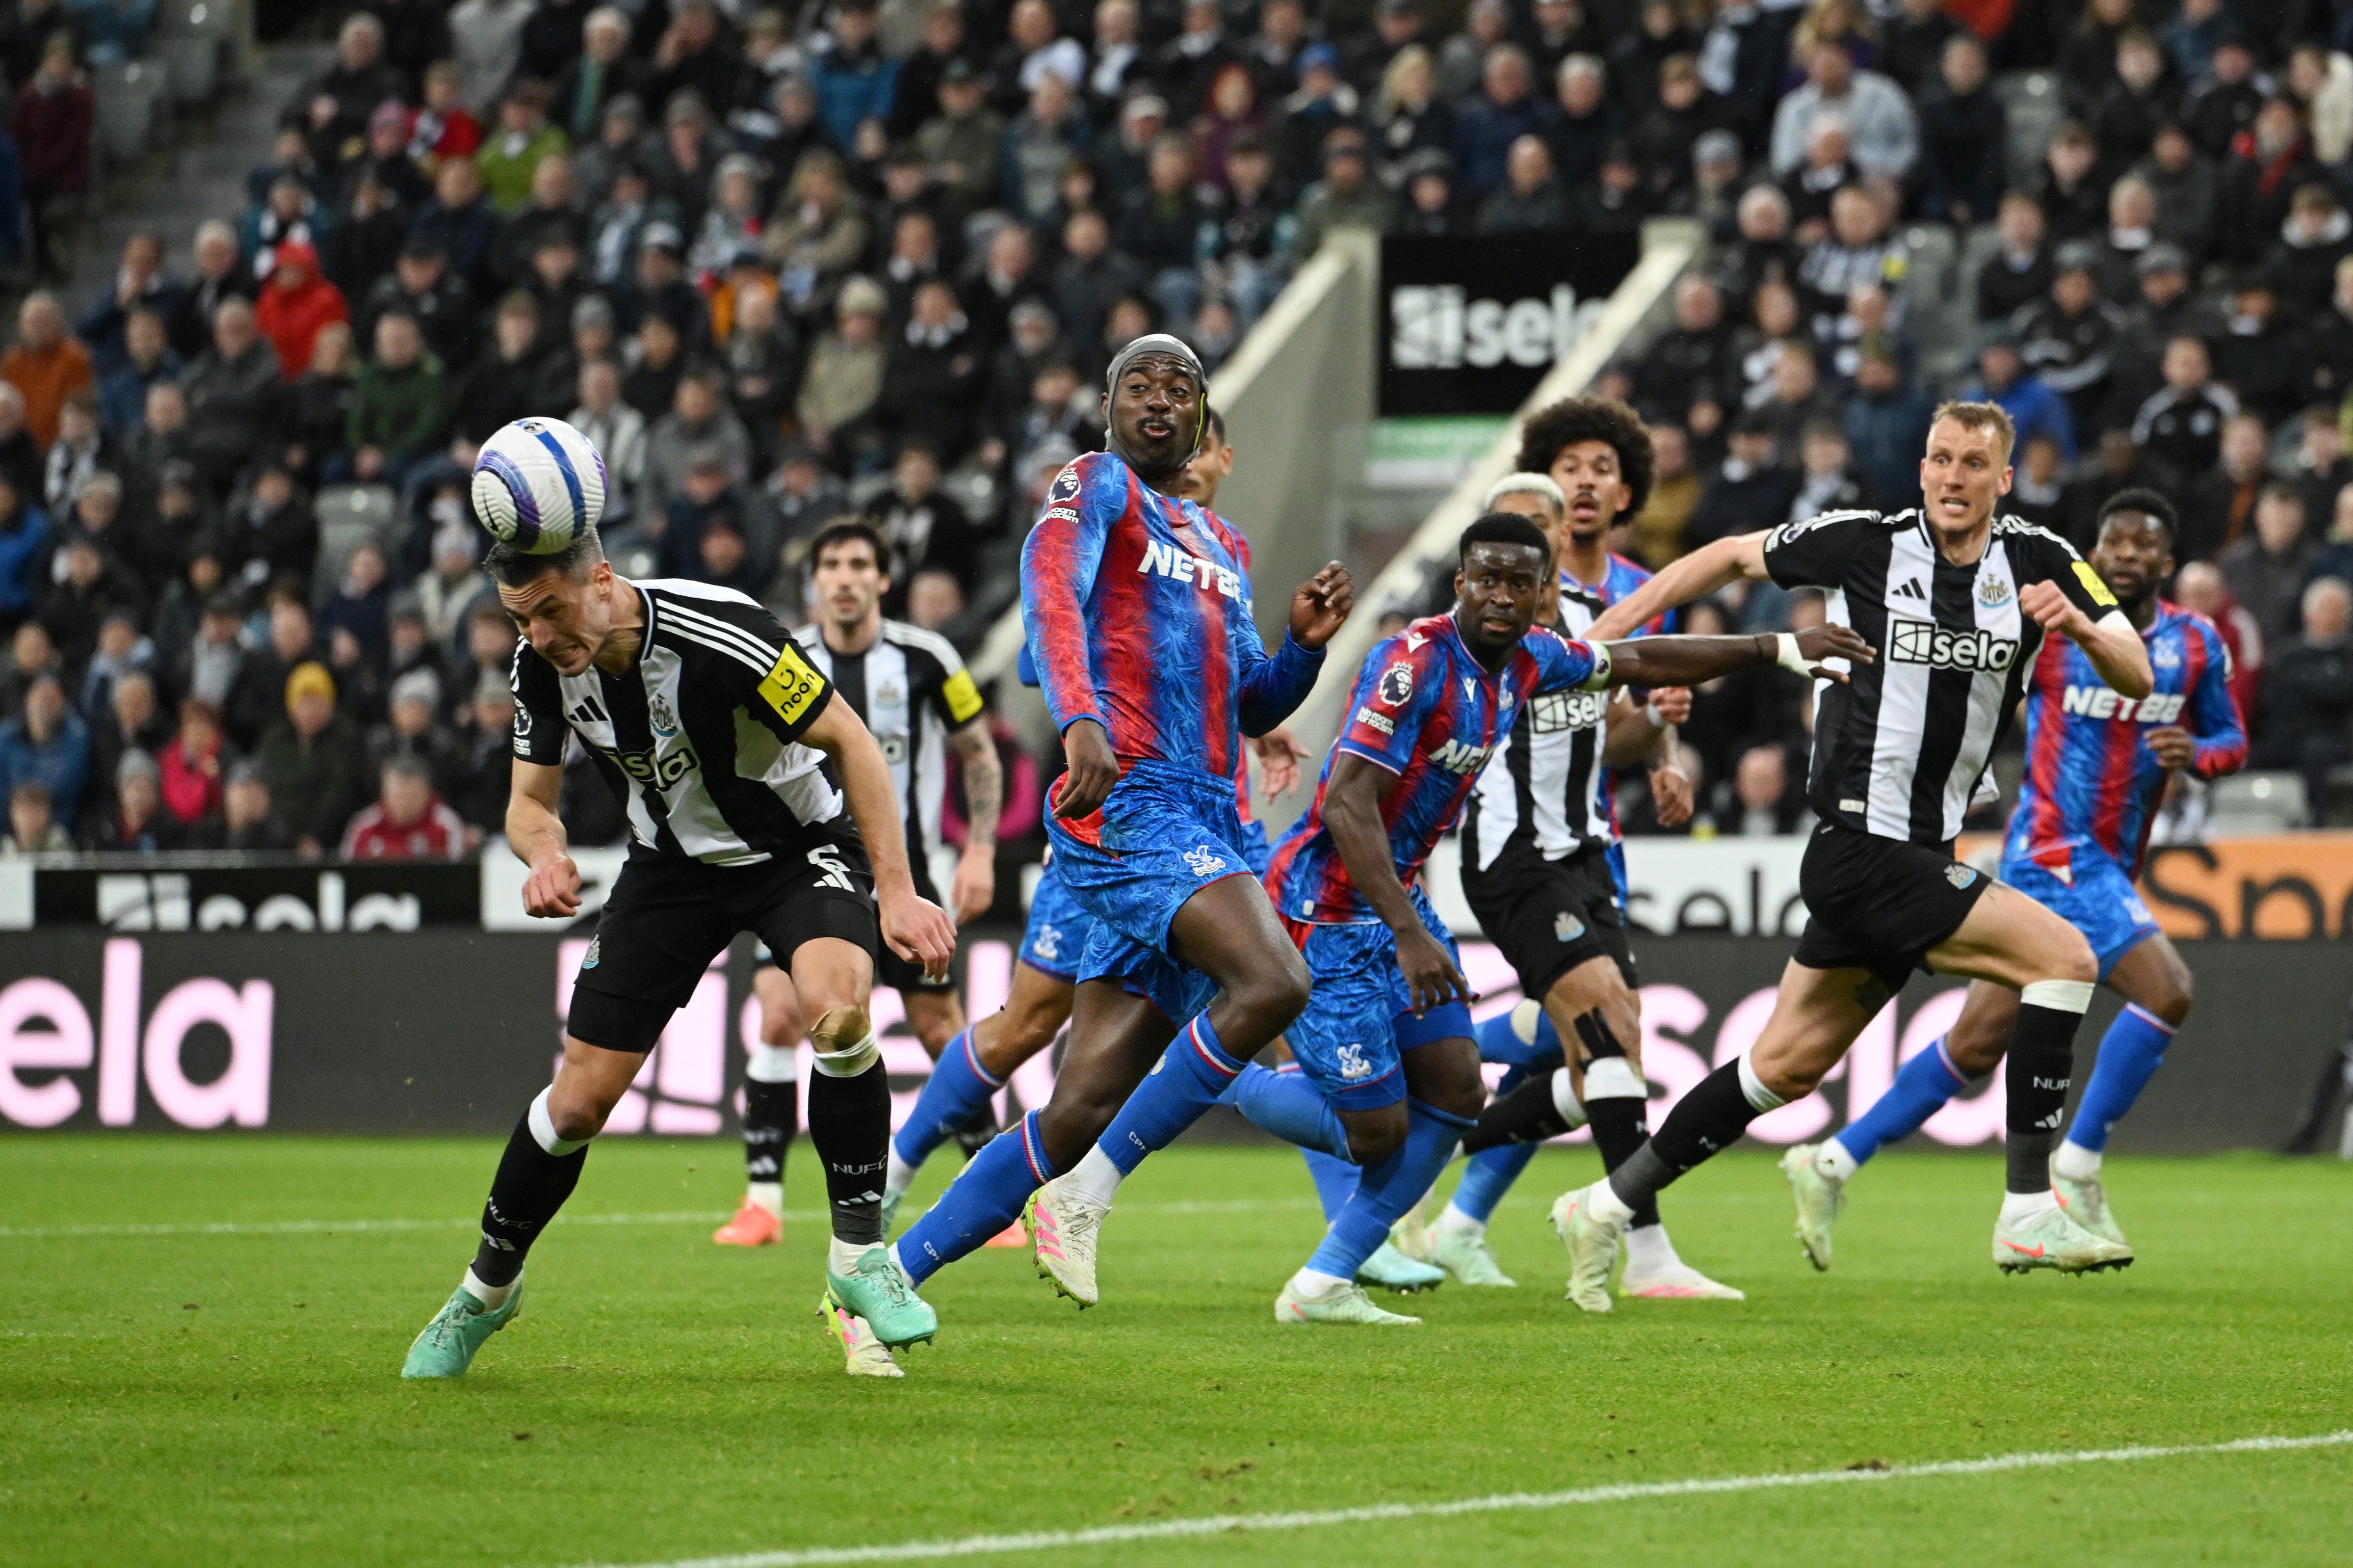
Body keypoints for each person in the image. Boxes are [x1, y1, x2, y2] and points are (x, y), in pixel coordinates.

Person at [1562, 399, 2158, 1302]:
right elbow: (1726, 554)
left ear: (2004, 479)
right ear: (1922, 467)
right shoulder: (1865, 543)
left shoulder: (2042, 561)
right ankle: (2029, 1206)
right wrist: (1607, 629)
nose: (1952, 477)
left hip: (1918, 849)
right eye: (1939, 459)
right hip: (1858, 845)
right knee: (2065, 957)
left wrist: (2075, 626)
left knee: (1783, 1070)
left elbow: (2138, 668)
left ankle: (1604, 1207)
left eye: (1972, 464)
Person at [1220, 514, 1868, 1324]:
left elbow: (1631, 681)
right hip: (1476, 871)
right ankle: (1219, 1072)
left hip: (1582, 860)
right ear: (1463, 579)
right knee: (1542, 1056)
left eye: (1523, 582)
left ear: (1546, 588)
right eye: (1487, 577)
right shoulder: (1436, 658)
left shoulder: (1549, 649)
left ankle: (1416, 1235)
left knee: (1541, 1065)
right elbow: (1350, 798)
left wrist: (1747, 669)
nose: (1503, 593)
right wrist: (1412, 930)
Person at [400, 524, 958, 1384]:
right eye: (520, 621)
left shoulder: (723, 631)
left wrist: (895, 888)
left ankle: (858, 1257)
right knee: (578, 1103)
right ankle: (485, 1289)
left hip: (795, 850)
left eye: (550, 610)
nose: (541, 636)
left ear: (601, 581)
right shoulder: (541, 665)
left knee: (839, 1007)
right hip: (669, 872)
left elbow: (850, 741)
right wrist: (544, 853)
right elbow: (528, 803)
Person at [885, 335, 1350, 1307]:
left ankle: (883, 1277)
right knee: (1274, 980)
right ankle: (1088, 1197)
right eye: (1138, 383)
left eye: (1179, 387)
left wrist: (1304, 649)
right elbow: (1049, 597)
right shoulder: (1094, 485)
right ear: (1108, 404)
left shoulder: (1227, 545)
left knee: (1078, 1106)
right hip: (1128, 801)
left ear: (1200, 417)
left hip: (1208, 817)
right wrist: (1081, 719)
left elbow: (1247, 703)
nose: (1158, 398)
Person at [1784, 489, 2246, 1266]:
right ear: (2095, 552)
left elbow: (2230, 735)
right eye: (2113, 540)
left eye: (2143, 544)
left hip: (2111, 854)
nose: (2125, 553)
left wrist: (2197, 755)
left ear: (2167, 562)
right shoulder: (2054, 628)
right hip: (2051, 850)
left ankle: (1833, 1158)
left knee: (1976, 1042)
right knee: (2167, 990)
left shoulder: (2194, 644)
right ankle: (2075, 1164)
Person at [1410, 398, 1729, 1305]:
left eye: (1596, 473)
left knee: (1594, 1048)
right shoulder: (1483, 624)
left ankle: (1441, 1157)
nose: (1575, 496)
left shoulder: (1615, 606)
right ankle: (1647, 1247)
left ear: (1622, 491)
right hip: (1512, 852)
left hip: (1591, 846)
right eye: (1561, 477)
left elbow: (1616, 732)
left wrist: (1662, 738)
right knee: (1597, 1029)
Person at [711, 518, 1005, 1252]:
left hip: (908, 873)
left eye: (858, 564)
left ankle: (991, 1187)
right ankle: (762, 1203)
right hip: (806, 873)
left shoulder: (928, 656)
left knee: (943, 1028)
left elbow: (980, 755)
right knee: (779, 1014)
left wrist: (980, 851)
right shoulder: (781, 659)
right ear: (815, 582)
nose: (843, 577)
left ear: (882, 579)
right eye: (831, 564)